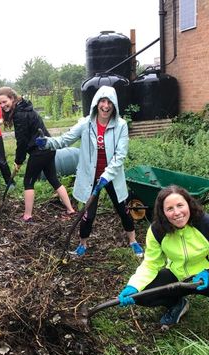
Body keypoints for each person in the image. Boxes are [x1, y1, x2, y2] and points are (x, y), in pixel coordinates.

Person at [117, 185, 209, 354]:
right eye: (169, 209)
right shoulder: (157, 231)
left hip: (208, 280)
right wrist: (133, 286)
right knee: (141, 294)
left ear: (189, 204)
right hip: (178, 279)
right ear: (163, 212)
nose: (176, 212)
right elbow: (151, 264)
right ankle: (177, 304)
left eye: (180, 205)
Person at [35, 85, 143, 258]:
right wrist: (47, 143)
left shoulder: (121, 125)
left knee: (123, 210)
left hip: (112, 177)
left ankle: (133, 241)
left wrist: (106, 177)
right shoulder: (86, 124)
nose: (106, 106)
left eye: (109, 102)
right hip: (90, 177)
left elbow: (120, 155)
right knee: (87, 214)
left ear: (114, 105)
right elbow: (65, 139)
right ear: (96, 104)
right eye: (102, 101)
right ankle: (82, 245)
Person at [0, 87, 75, 222]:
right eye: (0, 104)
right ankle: (71, 210)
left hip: (39, 151)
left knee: (28, 182)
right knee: (53, 178)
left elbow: (22, 141)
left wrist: (18, 161)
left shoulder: (20, 115)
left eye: (4, 102)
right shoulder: (24, 108)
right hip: (49, 147)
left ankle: (27, 216)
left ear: (12, 98)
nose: (3, 106)